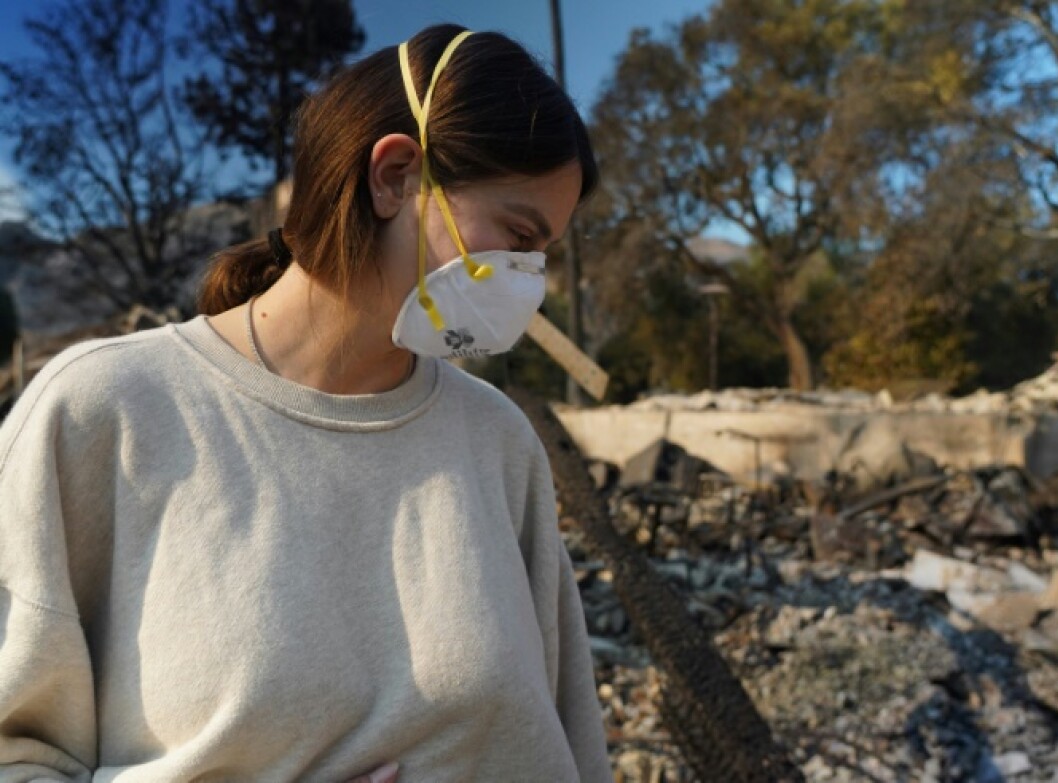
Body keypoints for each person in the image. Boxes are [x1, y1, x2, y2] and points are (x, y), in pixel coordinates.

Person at [0, 23, 612, 782]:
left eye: (538, 254)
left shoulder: (497, 441)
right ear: (393, 175)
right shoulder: (101, 413)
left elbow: (572, 746)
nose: (526, 279)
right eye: (516, 235)